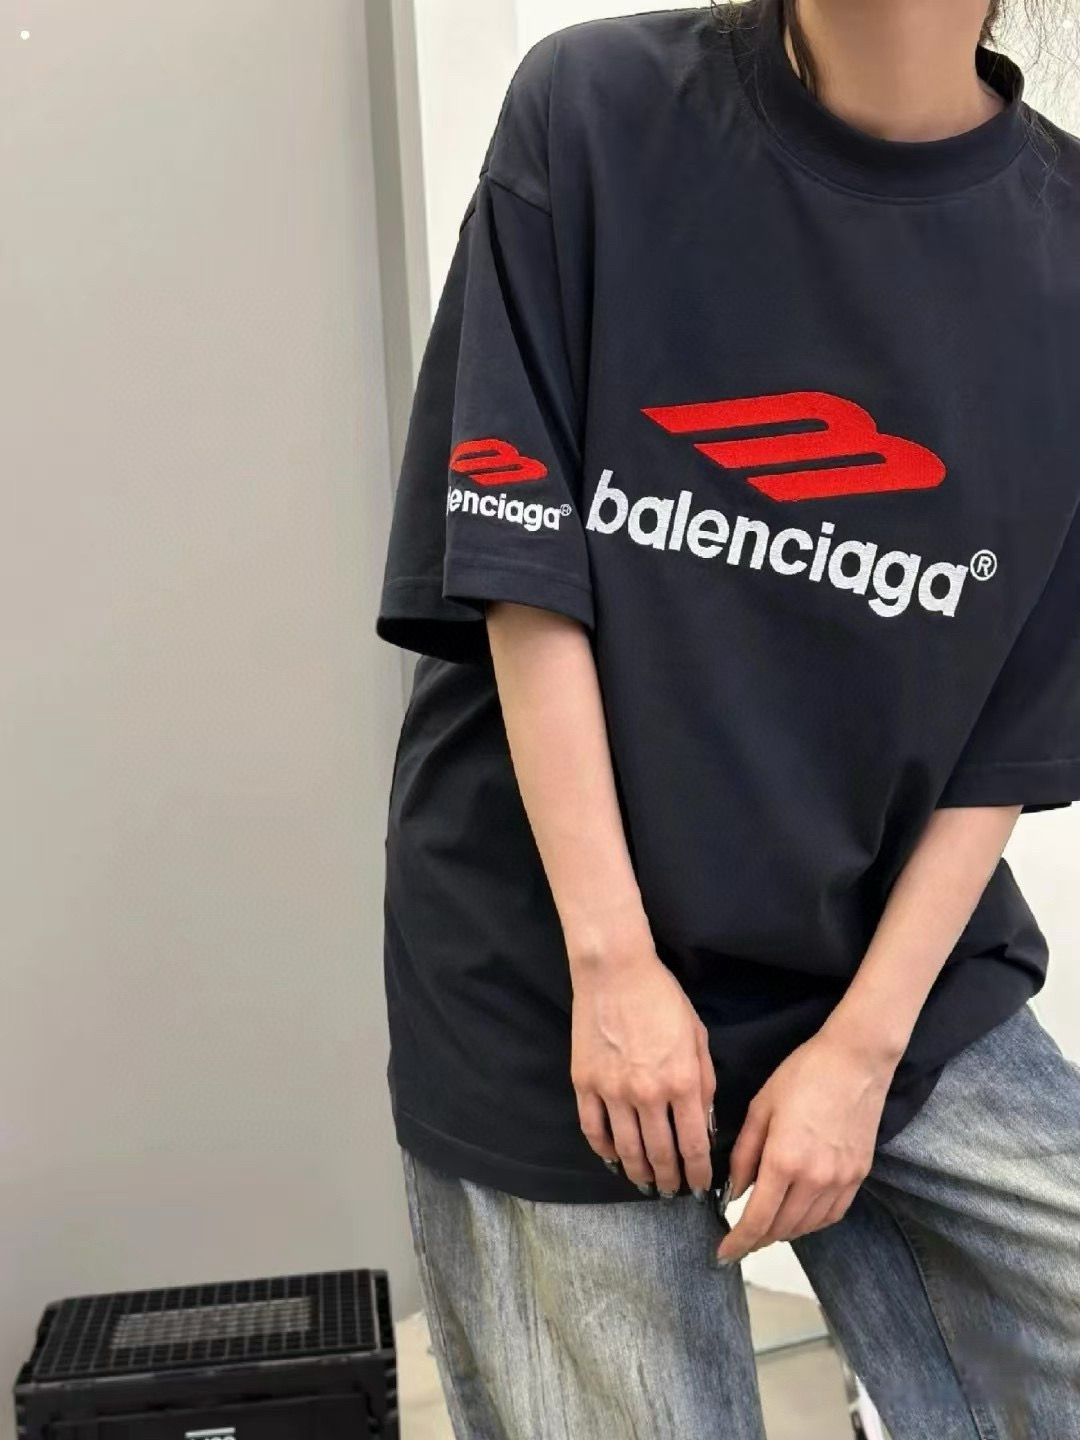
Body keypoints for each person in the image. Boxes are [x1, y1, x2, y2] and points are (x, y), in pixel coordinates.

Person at [375, 0, 1080, 1434]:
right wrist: (615, 968)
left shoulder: (1064, 252)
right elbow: (521, 567)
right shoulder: (596, 112)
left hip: (876, 952)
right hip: (553, 954)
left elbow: (1016, 726)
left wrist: (863, 1053)